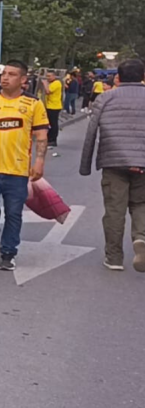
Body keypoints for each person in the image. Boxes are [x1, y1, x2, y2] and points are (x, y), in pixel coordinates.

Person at [0, 60, 49, 271]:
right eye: (3, 73)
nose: (5, 77)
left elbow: (41, 135)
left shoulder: (33, 105)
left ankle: (8, 252)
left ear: (23, 80)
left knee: (13, 213)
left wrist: (39, 161)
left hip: (18, 170)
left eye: (11, 74)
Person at [80, 58, 145, 271]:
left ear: (118, 76)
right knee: (141, 204)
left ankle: (114, 257)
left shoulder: (106, 98)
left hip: (113, 161)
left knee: (114, 210)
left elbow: (91, 132)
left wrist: (86, 165)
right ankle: (141, 238)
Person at [44, 70, 63, 154]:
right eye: (47, 76)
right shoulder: (51, 83)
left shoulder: (57, 83)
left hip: (54, 106)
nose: (48, 78)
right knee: (49, 123)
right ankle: (49, 138)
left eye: (49, 76)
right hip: (49, 105)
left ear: (54, 76)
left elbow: (48, 91)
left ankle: (53, 140)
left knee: (53, 123)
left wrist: (44, 84)